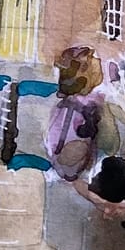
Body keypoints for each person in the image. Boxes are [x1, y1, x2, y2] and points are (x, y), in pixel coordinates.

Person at [45, 47, 105, 181]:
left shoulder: (71, 102)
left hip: (69, 160)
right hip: (69, 161)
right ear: (82, 72)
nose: (98, 61)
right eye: (91, 60)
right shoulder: (85, 104)